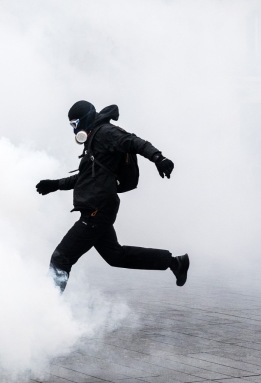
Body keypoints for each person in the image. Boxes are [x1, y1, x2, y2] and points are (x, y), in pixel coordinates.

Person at [36, 101, 189, 292]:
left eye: (75, 124)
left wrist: (158, 158)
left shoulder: (105, 132)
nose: (74, 130)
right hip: (99, 209)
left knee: (61, 258)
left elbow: (133, 141)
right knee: (116, 256)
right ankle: (176, 263)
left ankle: (47, 307)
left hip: (97, 211)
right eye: (71, 126)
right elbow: (85, 177)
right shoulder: (94, 139)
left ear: (84, 120)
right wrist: (55, 185)